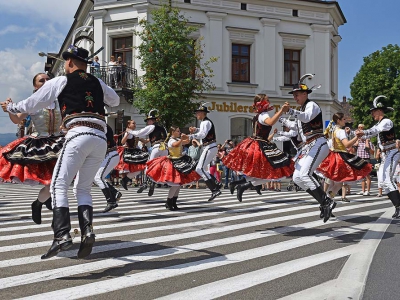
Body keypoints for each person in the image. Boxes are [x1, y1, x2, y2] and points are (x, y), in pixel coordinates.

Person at [2, 42, 120, 259]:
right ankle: (87, 231)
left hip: (78, 134)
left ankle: (62, 235)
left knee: (58, 185)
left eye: (66, 60)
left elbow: (30, 104)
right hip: (100, 137)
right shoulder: (97, 82)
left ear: (69, 62)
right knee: (83, 188)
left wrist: (10, 107)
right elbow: (115, 100)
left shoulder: (61, 80)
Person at [0, 73, 64, 225]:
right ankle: (39, 204)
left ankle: (42, 201)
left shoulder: (60, 101)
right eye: (42, 80)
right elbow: (17, 119)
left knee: (59, 180)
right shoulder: (32, 102)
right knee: (53, 182)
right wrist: (9, 109)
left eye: (48, 79)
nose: (46, 82)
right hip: (41, 144)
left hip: (59, 141)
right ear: (35, 86)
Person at [280, 73, 336, 222]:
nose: (295, 97)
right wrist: (281, 118)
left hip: (318, 143)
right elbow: (296, 128)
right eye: (294, 95)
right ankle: (325, 202)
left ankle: (326, 201)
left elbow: (305, 117)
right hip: (309, 146)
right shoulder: (303, 109)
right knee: (297, 177)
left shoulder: (312, 106)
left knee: (305, 174)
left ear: (305, 94)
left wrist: (290, 112)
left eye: (297, 94)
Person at [223, 94, 294, 202]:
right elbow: (270, 122)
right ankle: (244, 185)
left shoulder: (258, 115)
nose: (268, 102)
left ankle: (238, 183)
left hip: (254, 144)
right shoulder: (263, 115)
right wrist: (281, 111)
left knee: (261, 172)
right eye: (267, 100)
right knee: (271, 172)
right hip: (260, 146)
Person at [356, 95, 400, 218]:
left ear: (379, 111)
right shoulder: (380, 123)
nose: (372, 115)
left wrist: (363, 133)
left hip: (392, 152)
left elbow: (375, 130)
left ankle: (398, 206)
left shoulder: (386, 122)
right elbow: (370, 133)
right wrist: (359, 135)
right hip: (386, 154)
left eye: (373, 112)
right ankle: (397, 205)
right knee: (382, 181)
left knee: (388, 179)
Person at [317, 113, 372, 202]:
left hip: (333, 156)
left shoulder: (334, 130)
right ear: (338, 120)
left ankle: (327, 198)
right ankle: (328, 198)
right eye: (343, 119)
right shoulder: (340, 131)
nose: (345, 121)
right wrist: (356, 137)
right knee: (339, 183)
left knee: (333, 181)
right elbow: (346, 144)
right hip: (340, 157)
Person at [146, 126, 200, 210]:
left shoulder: (177, 140)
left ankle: (174, 202)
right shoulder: (171, 140)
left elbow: (187, 142)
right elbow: (175, 145)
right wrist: (182, 139)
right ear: (172, 132)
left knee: (178, 185)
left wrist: (189, 136)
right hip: (174, 163)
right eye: (177, 131)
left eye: (179, 131)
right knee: (175, 184)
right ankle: (169, 202)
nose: (179, 132)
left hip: (180, 161)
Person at [188, 103, 222, 201]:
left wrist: (190, 136)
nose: (196, 114)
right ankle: (216, 184)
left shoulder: (205, 122)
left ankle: (215, 189)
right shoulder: (205, 122)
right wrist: (196, 129)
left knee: (199, 169)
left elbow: (203, 134)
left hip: (209, 147)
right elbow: (204, 131)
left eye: (198, 112)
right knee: (201, 168)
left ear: (202, 113)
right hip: (210, 147)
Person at [135, 109, 168, 196]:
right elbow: (148, 140)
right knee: (157, 167)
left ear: (151, 120)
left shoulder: (150, 127)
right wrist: (142, 140)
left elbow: (140, 133)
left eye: (148, 121)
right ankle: (153, 184)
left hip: (156, 147)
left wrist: (132, 133)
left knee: (149, 165)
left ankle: (145, 183)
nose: (147, 123)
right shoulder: (162, 128)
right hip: (164, 148)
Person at [94, 124, 122, 213]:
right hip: (108, 155)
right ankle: (114, 193)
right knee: (95, 178)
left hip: (110, 154)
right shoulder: (98, 125)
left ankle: (111, 201)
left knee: (98, 177)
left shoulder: (101, 126)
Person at [115, 120, 149, 190]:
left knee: (139, 168)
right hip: (128, 152)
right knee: (127, 169)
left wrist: (153, 138)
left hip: (134, 152)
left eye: (135, 123)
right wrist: (127, 134)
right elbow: (122, 142)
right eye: (133, 123)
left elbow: (144, 141)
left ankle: (125, 180)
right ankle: (125, 180)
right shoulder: (129, 133)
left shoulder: (135, 133)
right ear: (129, 125)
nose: (135, 124)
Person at [353, 123, 374, 196]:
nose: (360, 128)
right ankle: (363, 190)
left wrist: (367, 145)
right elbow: (353, 151)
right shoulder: (357, 141)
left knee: (367, 175)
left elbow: (372, 152)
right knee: (362, 175)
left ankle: (368, 190)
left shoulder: (367, 140)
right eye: (359, 127)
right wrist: (355, 145)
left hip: (366, 159)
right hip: (359, 158)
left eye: (361, 127)